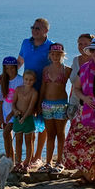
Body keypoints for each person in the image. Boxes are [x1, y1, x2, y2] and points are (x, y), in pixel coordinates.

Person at [63, 37, 95, 189]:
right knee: (77, 144)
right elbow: (77, 89)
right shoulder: (85, 68)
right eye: (93, 50)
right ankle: (86, 176)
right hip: (84, 112)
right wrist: (85, 98)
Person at [17, 17, 53, 167]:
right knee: (29, 124)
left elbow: (54, 67)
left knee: (42, 124)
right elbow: (20, 61)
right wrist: (7, 77)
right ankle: (28, 157)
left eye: (38, 28)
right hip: (28, 89)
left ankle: (38, 156)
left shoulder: (51, 46)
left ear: (46, 31)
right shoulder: (26, 43)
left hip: (44, 90)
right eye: (33, 27)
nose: (34, 30)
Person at [38, 43, 71, 172]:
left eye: (58, 54)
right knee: (50, 134)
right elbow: (42, 88)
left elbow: (77, 84)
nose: (55, 56)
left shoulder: (67, 70)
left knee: (61, 134)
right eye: (53, 54)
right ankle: (48, 162)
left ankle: (60, 162)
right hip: (46, 105)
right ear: (50, 55)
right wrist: (39, 104)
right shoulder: (45, 70)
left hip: (61, 105)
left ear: (62, 55)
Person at [7, 70, 38, 173]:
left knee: (29, 142)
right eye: (26, 79)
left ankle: (27, 163)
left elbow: (30, 108)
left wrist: (24, 117)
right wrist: (15, 111)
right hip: (17, 118)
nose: (28, 82)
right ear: (23, 79)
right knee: (18, 141)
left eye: (30, 80)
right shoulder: (18, 89)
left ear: (34, 81)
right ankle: (18, 162)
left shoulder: (34, 92)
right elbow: (13, 103)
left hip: (27, 119)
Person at [0, 56, 23, 165]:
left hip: (16, 113)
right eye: (7, 68)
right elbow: (0, 101)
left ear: (16, 67)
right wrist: (1, 117)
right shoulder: (4, 81)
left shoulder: (20, 80)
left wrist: (12, 113)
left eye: (12, 68)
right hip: (5, 112)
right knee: (7, 136)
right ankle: (10, 159)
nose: (10, 71)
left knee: (6, 133)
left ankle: (13, 160)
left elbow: (21, 100)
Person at [67, 33, 94, 119]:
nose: (82, 46)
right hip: (74, 103)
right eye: (80, 44)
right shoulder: (75, 60)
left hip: (89, 104)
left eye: (85, 44)